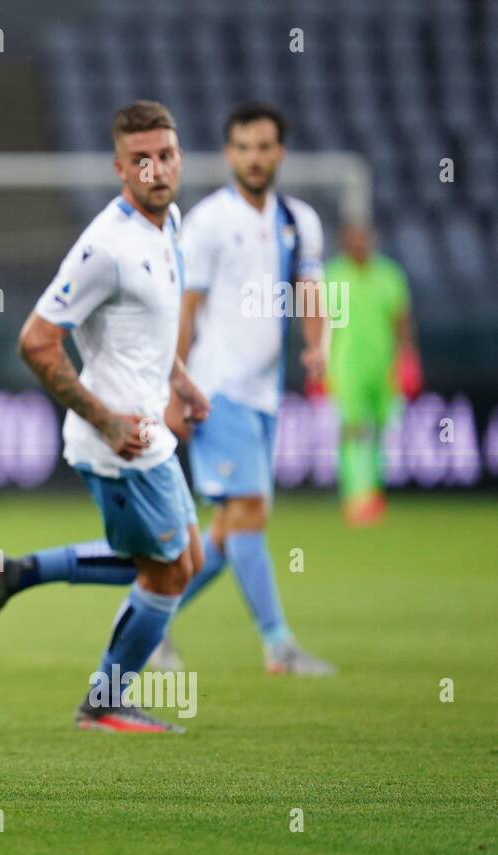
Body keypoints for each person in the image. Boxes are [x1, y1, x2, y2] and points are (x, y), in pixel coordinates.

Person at [0, 101, 207, 733]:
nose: (157, 170)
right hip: (117, 444)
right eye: (142, 160)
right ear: (120, 168)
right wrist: (104, 420)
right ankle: (104, 702)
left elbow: (148, 332)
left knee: (187, 558)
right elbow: (36, 340)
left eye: (167, 155)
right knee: (168, 568)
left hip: (149, 428)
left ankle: (15, 575)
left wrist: (181, 381)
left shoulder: (168, 222)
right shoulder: (106, 246)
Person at [152, 102, 335, 676]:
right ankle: (278, 646)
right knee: (250, 513)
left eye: (264, 147)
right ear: (229, 153)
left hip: (264, 395)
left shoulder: (299, 219)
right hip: (218, 387)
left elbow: (310, 289)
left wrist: (319, 344)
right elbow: (187, 308)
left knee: (232, 532)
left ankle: (147, 622)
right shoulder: (208, 221)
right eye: (243, 147)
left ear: (279, 152)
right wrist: (175, 386)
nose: (254, 158)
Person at [324, 225, 419, 526]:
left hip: (383, 365)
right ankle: (356, 494)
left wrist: (408, 357)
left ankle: (373, 490)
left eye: (363, 238)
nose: (359, 244)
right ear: (344, 243)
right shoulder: (332, 276)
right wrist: (319, 362)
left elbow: (401, 319)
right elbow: (319, 322)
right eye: (353, 239)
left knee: (379, 428)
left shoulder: (389, 275)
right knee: (353, 429)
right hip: (346, 365)